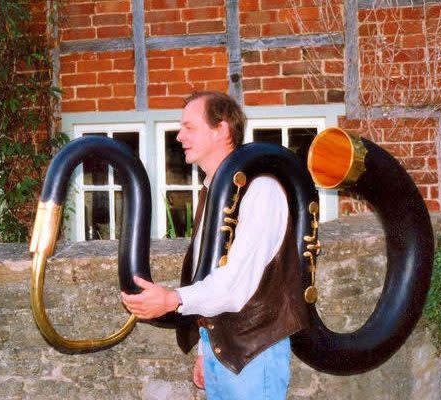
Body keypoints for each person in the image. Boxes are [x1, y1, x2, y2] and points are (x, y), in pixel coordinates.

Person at [121, 91, 308, 399]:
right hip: (226, 352)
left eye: (189, 127)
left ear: (221, 129)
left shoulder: (260, 188)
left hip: (253, 355)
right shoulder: (213, 190)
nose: (179, 136)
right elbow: (209, 274)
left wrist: (171, 300)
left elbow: (236, 285)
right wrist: (207, 349)